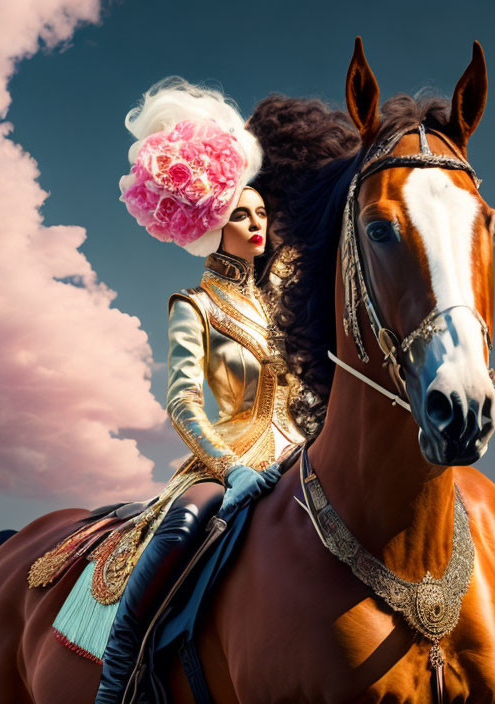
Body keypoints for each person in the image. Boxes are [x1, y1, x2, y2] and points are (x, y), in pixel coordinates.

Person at [94, 79, 307, 704]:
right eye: (241, 215)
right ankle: (119, 671)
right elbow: (183, 401)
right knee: (187, 519)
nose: (256, 224)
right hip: (231, 457)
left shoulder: (282, 304)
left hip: (301, 452)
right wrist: (229, 467)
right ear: (213, 227)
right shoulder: (196, 306)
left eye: (261, 213)